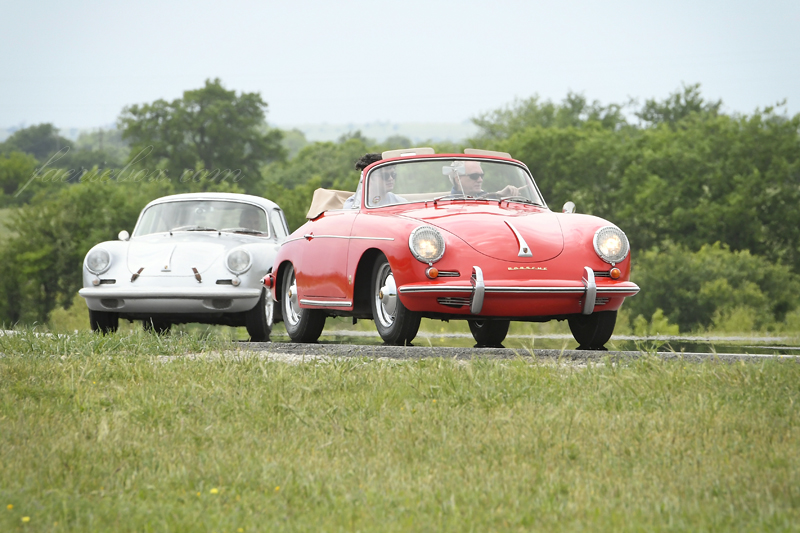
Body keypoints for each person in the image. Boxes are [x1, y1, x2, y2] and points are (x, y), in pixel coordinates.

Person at [449, 161, 523, 198]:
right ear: (458, 180)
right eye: (474, 176)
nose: (480, 180)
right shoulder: (447, 205)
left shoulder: (485, 196)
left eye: (481, 175)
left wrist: (503, 196)